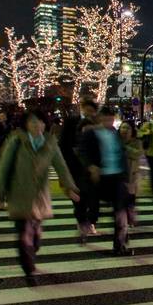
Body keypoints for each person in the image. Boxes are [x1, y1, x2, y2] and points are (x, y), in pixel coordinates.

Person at [0, 108, 80, 279]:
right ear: (25, 125)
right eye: (32, 122)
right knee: (24, 233)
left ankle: (31, 252)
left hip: (39, 196)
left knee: (35, 236)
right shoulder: (16, 140)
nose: (37, 125)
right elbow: (3, 167)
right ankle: (28, 268)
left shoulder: (50, 142)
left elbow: (61, 166)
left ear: (45, 124)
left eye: (40, 121)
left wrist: (69, 187)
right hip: (19, 193)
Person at [82, 106, 133, 255]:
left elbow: (122, 156)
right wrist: (91, 166)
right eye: (106, 119)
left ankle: (119, 245)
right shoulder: (91, 133)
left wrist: (127, 179)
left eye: (111, 120)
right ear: (100, 119)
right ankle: (86, 225)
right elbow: (83, 152)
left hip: (116, 177)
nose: (109, 122)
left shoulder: (115, 134)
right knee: (93, 209)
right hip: (99, 178)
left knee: (120, 212)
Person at [61, 99, 100, 237]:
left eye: (92, 111)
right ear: (81, 108)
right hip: (75, 167)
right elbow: (63, 145)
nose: (89, 113)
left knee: (94, 197)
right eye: (86, 109)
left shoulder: (98, 124)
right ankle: (82, 220)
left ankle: (90, 221)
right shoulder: (71, 122)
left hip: (93, 168)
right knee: (79, 197)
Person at [118, 120, 144, 227]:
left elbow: (137, 154)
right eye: (123, 127)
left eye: (127, 128)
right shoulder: (115, 141)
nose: (124, 130)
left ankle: (130, 216)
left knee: (130, 198)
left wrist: (125, 148)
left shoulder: (137, 142)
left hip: (131, 175)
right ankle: (122, 219)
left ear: (132, 130)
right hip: (117, 174)